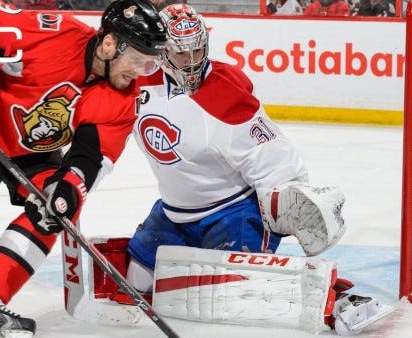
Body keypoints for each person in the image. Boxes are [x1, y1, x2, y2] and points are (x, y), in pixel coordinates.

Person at [86, 4, 391, 336]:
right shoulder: (137, 79)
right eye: (180, 53)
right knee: (137, 283)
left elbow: (272, 156)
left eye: (197, 50)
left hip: (234, 213)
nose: (191, 61)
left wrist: (290, 199)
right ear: (161, 50)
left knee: (239, 296)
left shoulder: (226, 90)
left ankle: (338, 298)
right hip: (175, 212)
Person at [0, 0, 166, 336]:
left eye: (149, 62)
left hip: (30, 146)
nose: (141, 70)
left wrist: (66, 189)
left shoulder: (121, 95)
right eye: (137, 59)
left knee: (58, 210)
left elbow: (90, 160)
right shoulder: (51, 34)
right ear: (109, 44)